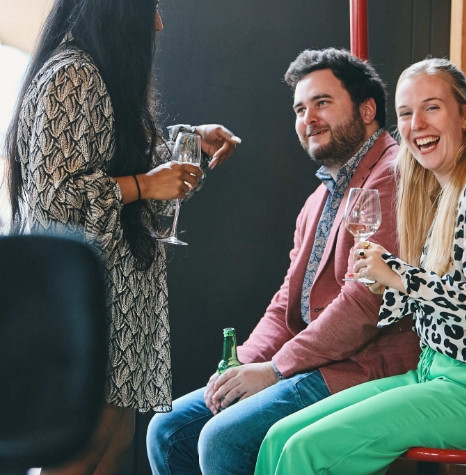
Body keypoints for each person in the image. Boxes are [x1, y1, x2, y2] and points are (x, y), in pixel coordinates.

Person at [254, 57, 466, 475]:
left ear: (465, 114)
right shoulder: (438, 192)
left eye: (432, 107)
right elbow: (425, 303)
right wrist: (377, 282)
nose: (417, 123)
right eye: (406, 113)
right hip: (433, 376)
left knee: (305, 452)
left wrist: (397, 276)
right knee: (280, 437)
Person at [146, 48, 420, 474]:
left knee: (223, 438)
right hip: (313, 361)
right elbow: (287, 301)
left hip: (365, 367)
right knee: (167, 429)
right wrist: (238, 368)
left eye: (322, 103)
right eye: (299, 108)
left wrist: (275, 369)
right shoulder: (320, 196)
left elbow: (366, 305)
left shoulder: (394, 174)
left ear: (367, 110)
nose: (307, 118)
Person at [3, 0, 240, 473]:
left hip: (114, 298)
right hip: (87, 301)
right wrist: (147, 185)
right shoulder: (73, 76)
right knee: (82, 448)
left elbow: (111, 151)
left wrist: (189, 138)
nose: (158, 23)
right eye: (150, 8)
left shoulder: (99, 77)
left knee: (113, 443)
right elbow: (55, 198)